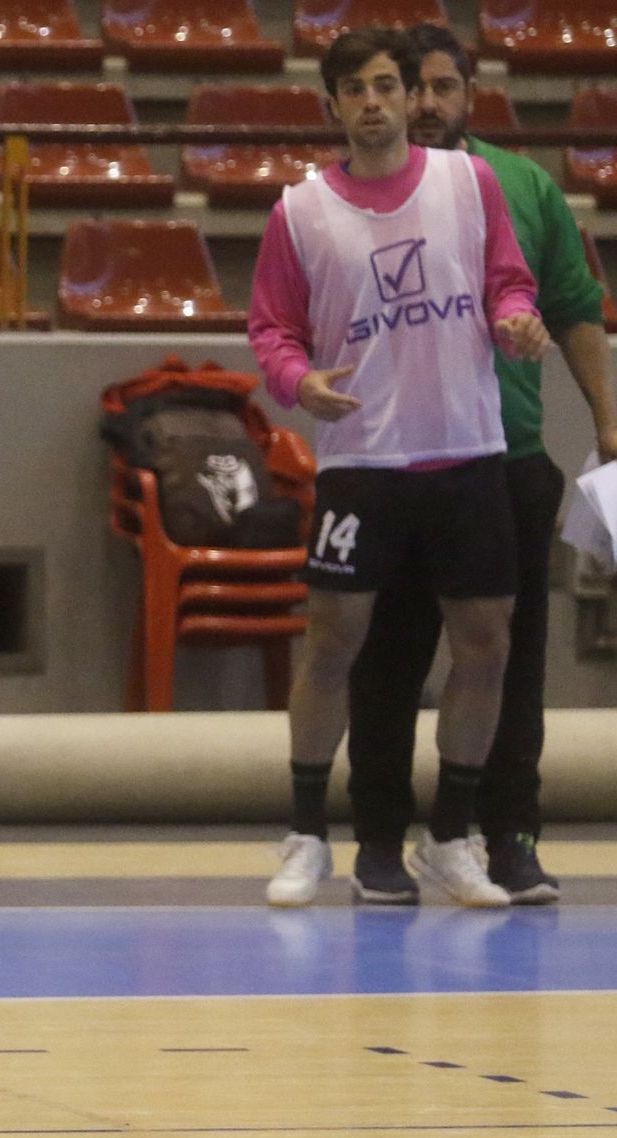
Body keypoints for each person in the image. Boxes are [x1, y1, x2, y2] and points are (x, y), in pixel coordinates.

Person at [247, 26, 550, 908]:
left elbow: (508, 281)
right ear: (333, 105)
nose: (375, 101)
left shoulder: (469, 182)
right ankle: (307, 833)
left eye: (388, 84)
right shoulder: (299, 211)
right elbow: (271, 329)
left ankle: (451, 838)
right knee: (334, 637)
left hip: (467, 450)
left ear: (408, 94)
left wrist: (517, 318)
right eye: (358, 89)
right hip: (363, 459)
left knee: (486, 640)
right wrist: (300, 381)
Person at [344, 23, 617, 906]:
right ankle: (381, 840)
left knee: (510, 660)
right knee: (388, 658)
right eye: (408, 85)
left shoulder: (524, 186)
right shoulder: (350, 196)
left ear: (471, 92)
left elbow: (575, 306)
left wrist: (611, 424)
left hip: (506, 460)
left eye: (440, 86)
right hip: (394, 460)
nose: (424, 102)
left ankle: (509, 837)